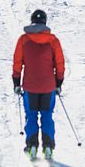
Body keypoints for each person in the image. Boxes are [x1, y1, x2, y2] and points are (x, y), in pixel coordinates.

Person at [12, 9, 65, 159]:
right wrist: (59, 82)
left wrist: (16, 82)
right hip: (49, 87)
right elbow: (59, 64)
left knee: (31, 115)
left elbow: (17, 63)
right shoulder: (53, 41)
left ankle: (32, 146)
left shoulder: (23, 40)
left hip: (30, 87)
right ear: (45, 22)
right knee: (47, 115)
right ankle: (48, 146)